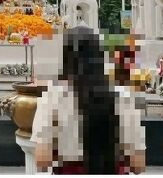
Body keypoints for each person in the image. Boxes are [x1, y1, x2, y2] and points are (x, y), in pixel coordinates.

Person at [31, 26, 146, 174]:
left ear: (65, 57)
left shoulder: (53, 96)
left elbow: (42, 159)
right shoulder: (123, 96)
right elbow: (138, 164)